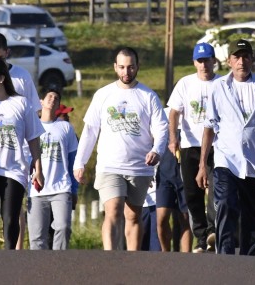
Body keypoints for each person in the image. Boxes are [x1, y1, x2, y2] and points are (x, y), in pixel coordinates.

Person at [196, 39, 255, 257]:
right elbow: (209, 127)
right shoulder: (219, 87)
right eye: (236, 57)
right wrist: (201, 165)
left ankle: (247, 261)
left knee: (253, 216)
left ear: (252, 60)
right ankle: (225, 257)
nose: (241, 61)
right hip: (227, 160)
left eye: (245, 56)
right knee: (225, 202)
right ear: (229, 61)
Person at [74, 46, 167, 251]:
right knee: (113, 210)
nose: (127, 72)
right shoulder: (103, 94)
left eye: (131, 67)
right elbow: (90, 131)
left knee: (133, 215)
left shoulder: (148, 96)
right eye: (122, 67)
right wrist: (79, 162)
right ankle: (111, 257)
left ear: (137, 67)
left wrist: (157, 151)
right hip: (110, 165)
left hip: (139, 166)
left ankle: (132, 262)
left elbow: (161, 129)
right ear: (115, 67)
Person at [0, 57, 43, 250]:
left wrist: (38, 167)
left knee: (9, 219)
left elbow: (33, 137)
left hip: (14, 170)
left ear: (0, 78)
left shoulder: (21, 103)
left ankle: (9, 262)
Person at [166, 42, 218, 253]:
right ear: (194, 63)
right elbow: (174, 112)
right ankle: (201, 236)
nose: (204, 65)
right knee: (192, 193)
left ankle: (214, 230)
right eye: (200, 61)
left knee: (216, 188)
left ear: (215, 61)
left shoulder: (223, 83)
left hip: (218, 146)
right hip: (190, 145)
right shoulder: (185, 84)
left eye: (207, 60)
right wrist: (173, 138)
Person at [28, 85, 78, 250]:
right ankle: (38, 271)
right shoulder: (31, 126)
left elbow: (73, 160)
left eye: (56, 98)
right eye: (49, 96)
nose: (53, 99)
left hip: (61, 187)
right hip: (36, 190)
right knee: (37, 237)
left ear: (58, 106)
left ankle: (59, 264)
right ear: (41, 101)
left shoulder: (65, 128)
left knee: (63, 227)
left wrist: (74, 190)